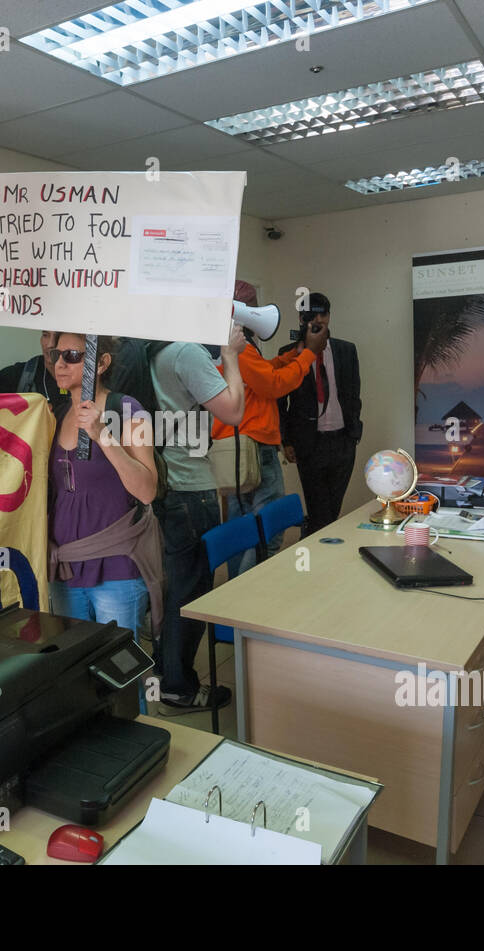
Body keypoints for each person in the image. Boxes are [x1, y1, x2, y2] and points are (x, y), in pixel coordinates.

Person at [151, 321, 247, 712]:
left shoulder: (152, 350)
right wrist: (230, 355)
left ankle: (167, 673)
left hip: (166, 482)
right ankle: (178, 686)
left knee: (177, 587)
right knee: (190, 594)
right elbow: (235, 410)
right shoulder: (185, 352)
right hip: (190, 486)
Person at [47, 333, 163, 641]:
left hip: (116, 567)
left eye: (72, 356)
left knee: (118, 672)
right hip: (65, 568)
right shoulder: (55, 415)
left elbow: (147, 490)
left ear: (102, 363)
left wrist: (103, 435)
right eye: (56, 355)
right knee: (74, 668)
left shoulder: (128, 410)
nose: (60, 363)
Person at [215, 280, 319, 576]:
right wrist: (309, 354)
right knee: (269, 530)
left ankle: (237, 591)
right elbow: (273, 386)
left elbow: (261, 374)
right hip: (255, 447)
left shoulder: (225, 345)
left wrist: (293, 354)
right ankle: (255, 594)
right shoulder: (238, 348)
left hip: (234, 449)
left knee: (240, 529)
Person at [277, 292, 362, 535]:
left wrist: (353, 434)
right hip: (308, 444)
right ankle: (317, 549)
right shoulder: (290, 353)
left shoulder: (346, 350)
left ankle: (318, 542)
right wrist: (286, 440)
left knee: (333, 508)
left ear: (328, 316)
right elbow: (280, 401)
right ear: (302, 318)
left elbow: (353, 394)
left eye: (322, 314)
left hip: (343, 441)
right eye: (311, 315)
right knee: (319, 509)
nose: (317, 319)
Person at [0, 330, 68, 408]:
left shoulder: (83, 376)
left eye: (58, 336)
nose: (50, 344)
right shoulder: (22, 373)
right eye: (45, 335)